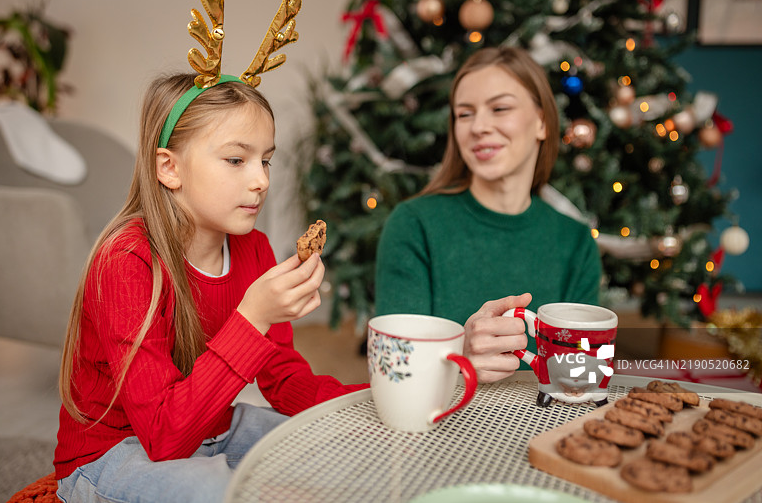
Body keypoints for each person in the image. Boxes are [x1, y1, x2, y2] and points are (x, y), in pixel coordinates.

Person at [53, 74, 367, 502]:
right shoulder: (126, 262)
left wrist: (369, 405)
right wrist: (253, 318)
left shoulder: (253, 250)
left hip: (212, 429)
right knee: (226, 494)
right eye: (237, 160)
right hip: (112, 454)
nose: (261, 181)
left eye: (266, 160)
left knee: (342, 453)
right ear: (170, 168)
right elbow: (164, 438)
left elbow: (283, 378)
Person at [375, 46, 602, 384]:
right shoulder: (413, 225)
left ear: (541, 122)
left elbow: (582, 382)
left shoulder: (576, 242)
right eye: (464, 114)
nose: (479, 126)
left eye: (500, 108)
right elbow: (394, 374)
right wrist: (458, 358)